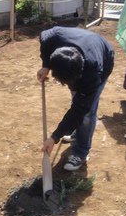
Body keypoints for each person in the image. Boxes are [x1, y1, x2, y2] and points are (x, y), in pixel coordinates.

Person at [37, 26, 114, 171]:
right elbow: (45, 41)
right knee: (76, 99)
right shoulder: (53, 37)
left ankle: (81, 152)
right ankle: (75, 129)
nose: (69, 86)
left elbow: (79, 109)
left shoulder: (92, 73)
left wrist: (54, 137)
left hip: (104, 56)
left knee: (86, 112)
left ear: (79, 74)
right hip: (82, 45)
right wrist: (46, 66)